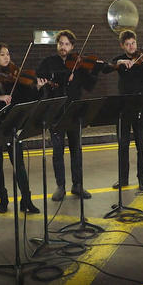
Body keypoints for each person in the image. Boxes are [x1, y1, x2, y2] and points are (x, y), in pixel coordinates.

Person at [0, 42, 47, 213]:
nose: (7, 57)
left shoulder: (13, 75)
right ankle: (3, 197)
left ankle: (26, 199)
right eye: (2, 54)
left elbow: (24, 98)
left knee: (19, 165)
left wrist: (37, 88)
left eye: (8, 53)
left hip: (12, 124)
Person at [36, 29, 101, 201]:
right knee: (57, 151)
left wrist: (94, 70)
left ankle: (77, 185)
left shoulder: (78, 65)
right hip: (55, 112)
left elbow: (89, 86)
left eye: (67, 44)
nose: (63, 47)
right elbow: (40, 82)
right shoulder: (48, 63)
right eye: (61, 44)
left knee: (76, 150)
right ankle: (60, 186)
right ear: (57, 45)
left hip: (74, 111)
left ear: (72, 46)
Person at [102, 30, 143, 191]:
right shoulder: (119, 60)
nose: (131, 46)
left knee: (142, 145)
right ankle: (123, 179)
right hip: (122, 108)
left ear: (136, 42)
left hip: (140, 106)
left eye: (133, 43)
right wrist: (119, 62)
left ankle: (142, 179)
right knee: (123, 145)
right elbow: (105, 68)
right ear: (122, 45)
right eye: (127, 44)